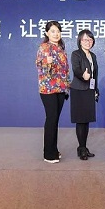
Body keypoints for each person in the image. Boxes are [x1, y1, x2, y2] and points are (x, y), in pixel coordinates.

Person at [36, 21, 70, 164]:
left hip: (60, 88)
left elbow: (65, 70)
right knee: (51, 118)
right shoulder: (44, 47)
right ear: (47, 33)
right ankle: (48, 154)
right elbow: (39, 66)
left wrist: (67, 86)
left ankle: (54, 149)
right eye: (53, 31)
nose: (56, 34)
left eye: (58, 31)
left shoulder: (61, 48)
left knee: (55, 119)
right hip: (48, 89)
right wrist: (47, 62)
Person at [70, 30, 99, 161]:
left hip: (89, 90)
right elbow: (76, 69)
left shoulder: (93, 55)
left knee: (86, 120)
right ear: (80, 41)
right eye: (85, 39)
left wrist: (96, 89)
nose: (88, 42)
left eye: (90, 40)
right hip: (79, 90)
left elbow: (95, 74)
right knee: (80, 120)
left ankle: (84, 147)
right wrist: (83, 75)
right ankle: (81, 148)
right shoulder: (76, 54)